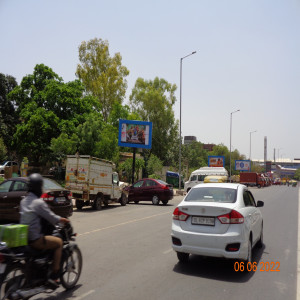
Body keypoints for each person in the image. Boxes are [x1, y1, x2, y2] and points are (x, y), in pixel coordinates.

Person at [20, 173, 69, 287]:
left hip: (23, 239)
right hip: (35, 240)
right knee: (58, 243)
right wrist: (62, 220)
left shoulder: (23, 201)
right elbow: (51, 217)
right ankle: (55, 275)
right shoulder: (38, 202)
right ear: (39, 187)